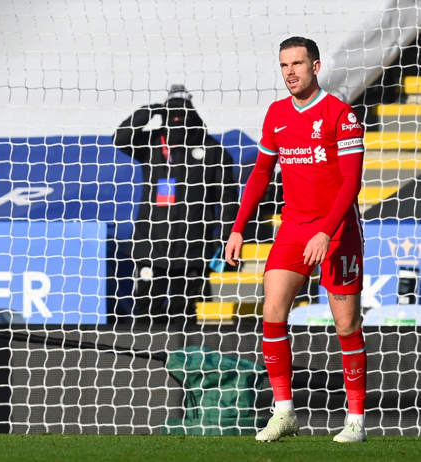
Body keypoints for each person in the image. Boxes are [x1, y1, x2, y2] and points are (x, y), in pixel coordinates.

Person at [225, 37, 366, 443]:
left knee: (346, 324)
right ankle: (284, 411)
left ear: (315, 67)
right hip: (294, 226)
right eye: (284, 64)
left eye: (297, 64)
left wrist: (327, 231)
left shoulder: (342, 115)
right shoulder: (276, 114)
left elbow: (351, 184)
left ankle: (355, 420)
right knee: (272, 311)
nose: (290, 72)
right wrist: (238, 227)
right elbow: (260, 174)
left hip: (337, 230)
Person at [113, 85, 238, 329]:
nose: (178, 116)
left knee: (185, 314)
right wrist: (150, 111)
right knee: (147, 310)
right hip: (150, 248)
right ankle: (144, 364)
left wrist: (225, 238)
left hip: (193, 252)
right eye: (172, 111)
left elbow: (228, 199)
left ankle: (183, 362)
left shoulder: (213, 150)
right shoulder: (152, 143)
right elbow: (121, 138)